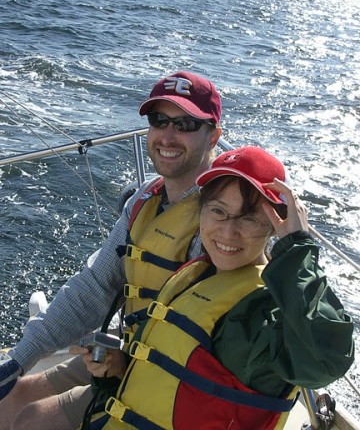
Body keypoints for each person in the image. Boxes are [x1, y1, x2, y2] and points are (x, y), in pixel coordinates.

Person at [0, 71, 223, 430]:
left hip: (170, 379)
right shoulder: (146, 199)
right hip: (127, 351)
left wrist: (125, 366)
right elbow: (96, 286)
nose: (167, 135)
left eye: (184, 124)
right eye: (159, 120)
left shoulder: (221, 223)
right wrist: (18, 360)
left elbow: (208, 343)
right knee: (9, 398)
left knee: (31, 422)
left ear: (214, 135)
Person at [82, 146, 354, 430]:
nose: (228, 231)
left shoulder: (262, 314)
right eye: (218, 211)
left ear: (276, 226)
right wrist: (117, 372)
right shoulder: (196, 275)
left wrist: (297, 247)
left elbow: (328, 359)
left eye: (249, 218)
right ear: (200, 212)